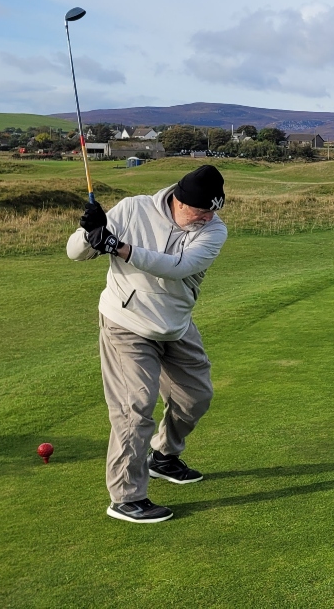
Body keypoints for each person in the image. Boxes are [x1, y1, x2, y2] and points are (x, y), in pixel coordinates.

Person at [67, 164, 228, 523]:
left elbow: (177, 266)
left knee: (195, 397)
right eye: (202, 211)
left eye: (213, 210)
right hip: (126, 322)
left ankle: (164, 457)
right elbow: (75, 253)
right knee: (135, 407)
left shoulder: (214, 230)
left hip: (175, 324)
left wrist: (122, 248)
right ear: (179, 201)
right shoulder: (132, 209)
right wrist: (89, 232)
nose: (208, 217)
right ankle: (126, 497)